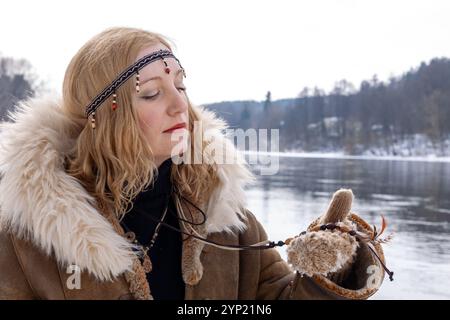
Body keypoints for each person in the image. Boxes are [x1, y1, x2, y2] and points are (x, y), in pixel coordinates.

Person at [0, 27, 389, 300]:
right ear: (105, 113)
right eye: (151, 92)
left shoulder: (226, 221)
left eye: (181, 86)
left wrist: (332, 268)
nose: (179, 103)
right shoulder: (27, 237)